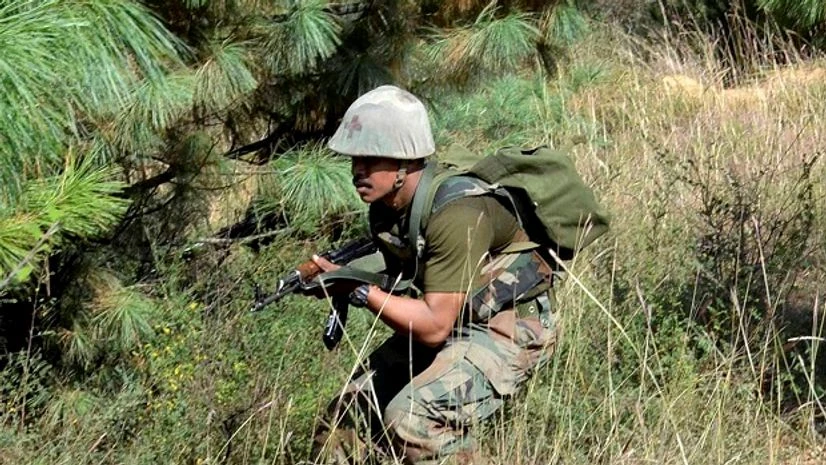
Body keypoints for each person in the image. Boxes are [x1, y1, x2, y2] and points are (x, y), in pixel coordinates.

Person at [309, 85, 558, 465]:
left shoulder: (456, 213)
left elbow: (433, 327)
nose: (358, 169)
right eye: (355, 158)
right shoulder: (388, 208)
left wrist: (359, 291)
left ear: (406, 164)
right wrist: (338, 279)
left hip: (507, 325)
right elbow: (410, 284)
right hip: (456, 314)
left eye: (372, 158)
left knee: (413, 419)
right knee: (347, 416)